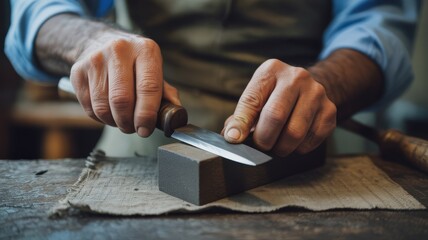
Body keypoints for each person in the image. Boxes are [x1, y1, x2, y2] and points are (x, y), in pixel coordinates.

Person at [5, 0, 419, 157]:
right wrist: (88, 38)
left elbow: (381, 23)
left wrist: (327, 83)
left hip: (311, 148)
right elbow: (35, 15)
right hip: (142, 149)